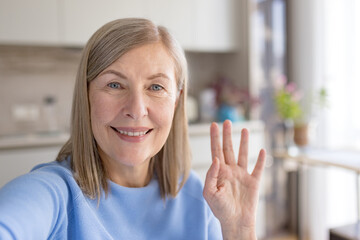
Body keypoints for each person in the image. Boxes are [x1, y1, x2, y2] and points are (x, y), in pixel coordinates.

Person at [0, 18, 266, 240]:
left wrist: (240, 230)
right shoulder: (53, 192)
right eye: (115, 85)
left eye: (156, 87)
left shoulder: (199, 196)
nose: (136, 109)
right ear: (86, 94)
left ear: (177, 100)